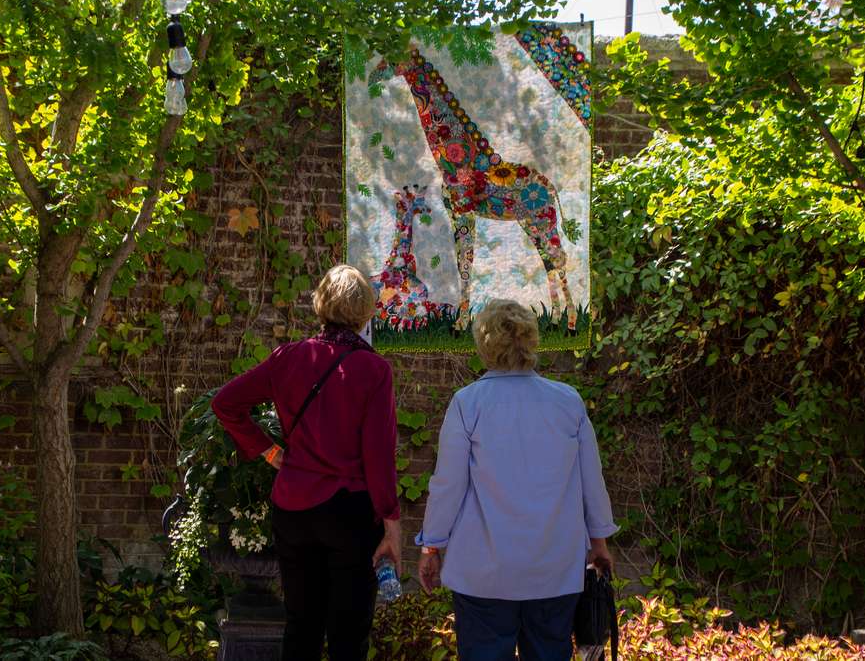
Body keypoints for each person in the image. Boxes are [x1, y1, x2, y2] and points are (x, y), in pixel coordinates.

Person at [211, 264, 401, 661]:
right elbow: (379, 456)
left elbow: (225, 403)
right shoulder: (374, 370)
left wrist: (269, 451)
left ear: (321, 305)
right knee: (349, 633)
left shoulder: (289, 358)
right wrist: (391, 523)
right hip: (349, 511)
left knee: (301, 625)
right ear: (366, 312)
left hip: (294, 508)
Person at [415, 298, 617, 661]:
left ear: (484, 345)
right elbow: (592, 479)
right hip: (554, 571)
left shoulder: (468, 403)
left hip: (484, 575)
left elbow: (447, 485)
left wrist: (431, 546)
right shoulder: (567, 402)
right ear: (531, 341)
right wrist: (599, 541)